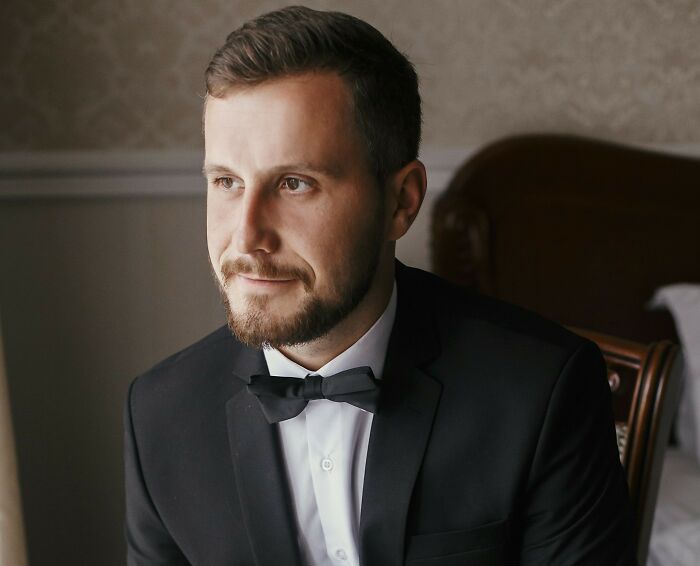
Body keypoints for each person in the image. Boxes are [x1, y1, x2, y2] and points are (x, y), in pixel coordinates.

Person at [124, 6, 635, 565]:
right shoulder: (160, 415)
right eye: (226, 182)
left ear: (401, 201)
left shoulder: (540, 392)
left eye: (295, 184)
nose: (247, 236)